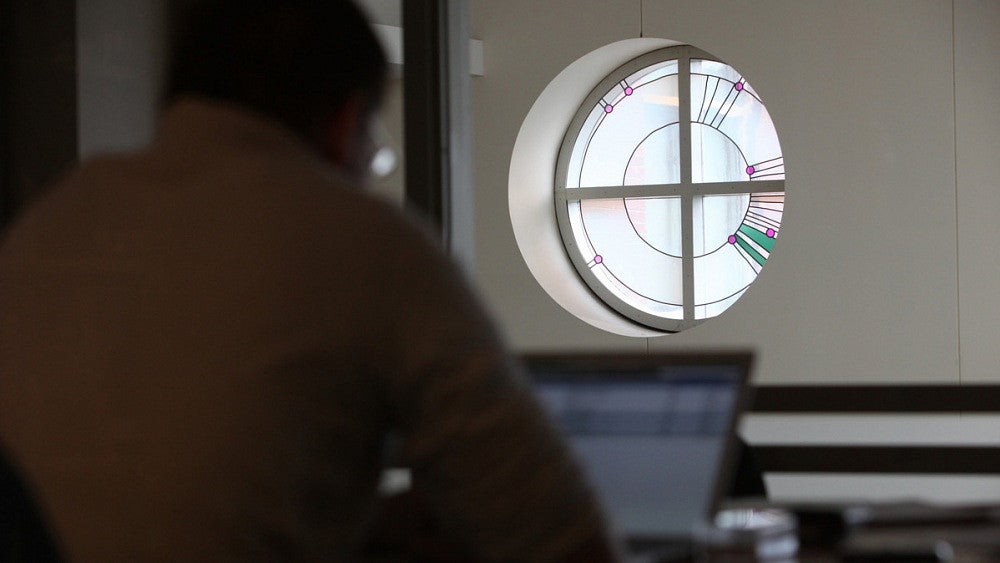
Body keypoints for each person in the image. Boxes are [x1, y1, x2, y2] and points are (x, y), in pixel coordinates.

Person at [0, 1, 619, 561]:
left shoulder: (53, 221)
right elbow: (560, 538)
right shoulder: (365, 240)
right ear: (344, 122)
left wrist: (358, 525)